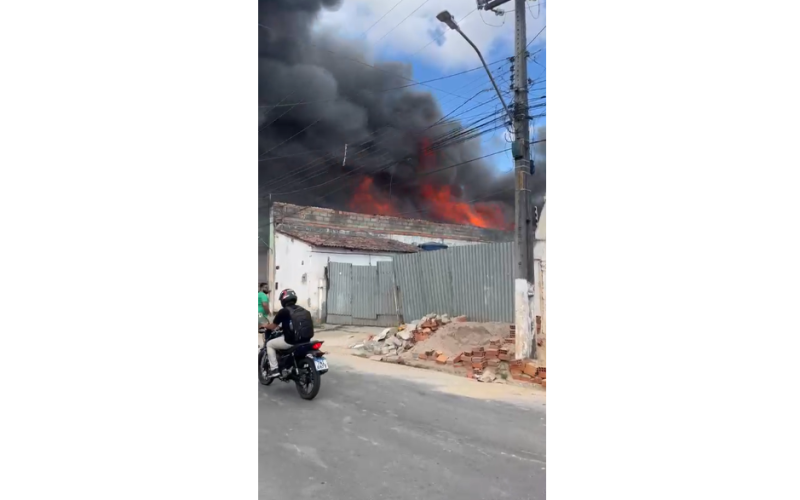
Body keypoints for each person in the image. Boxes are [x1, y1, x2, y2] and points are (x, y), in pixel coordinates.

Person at [262, 288, 314, 379]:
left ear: (283, 300)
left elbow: (273, 326)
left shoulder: (284, 311)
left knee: (269, 344)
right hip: (306, 340)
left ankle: (274, 369)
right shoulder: (302, 310)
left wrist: (265, 326)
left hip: (291, 341)